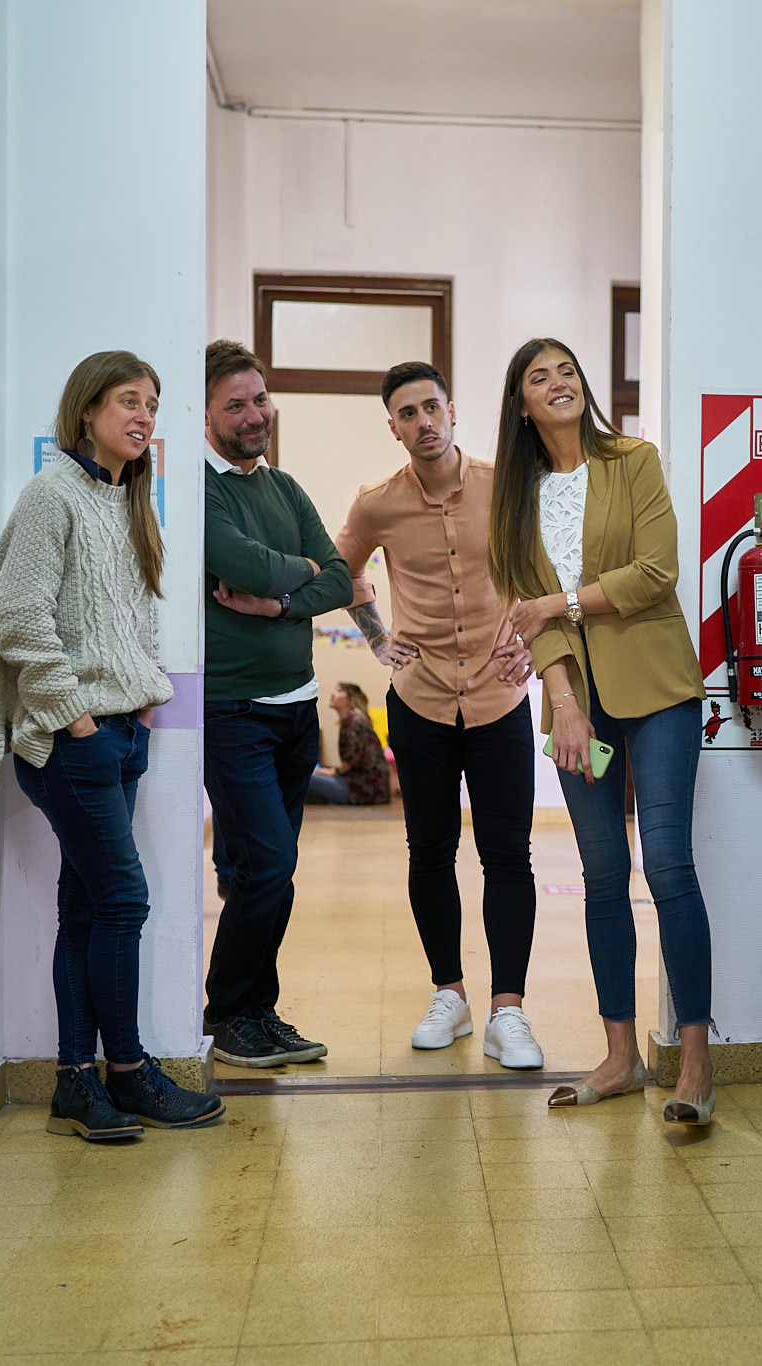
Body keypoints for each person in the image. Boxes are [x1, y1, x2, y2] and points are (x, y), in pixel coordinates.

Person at [0, 350, 223, 1138]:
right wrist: (74, 713)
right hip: (71, 738)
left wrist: (142, 700)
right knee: (123, 899)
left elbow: (135, 619)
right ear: (87, 411)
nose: (144, 415)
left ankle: (77, 1084)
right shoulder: (52, 495)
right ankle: (128, 1069)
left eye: (152, 403)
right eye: (127, 400)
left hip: (122, 732)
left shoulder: (129, 502)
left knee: (85, 910)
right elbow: (17, 613)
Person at [486, 336, 715, 1121]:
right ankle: (619, 1057)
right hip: (575, 706)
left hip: (659, 693)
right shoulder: (514, 498)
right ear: (521, 404)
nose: (558, 384)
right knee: (601, 875)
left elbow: (657, 573)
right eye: (538, 378)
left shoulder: (633, 462)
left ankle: (693, 1065)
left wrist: (560, 603)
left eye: (568, 371)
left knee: (670, 867)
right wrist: (566, 701)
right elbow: (523, 607)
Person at [333, 360, 543, 1068]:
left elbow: (544, 570)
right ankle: (449, 995)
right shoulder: (377, 503)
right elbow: (345, 569)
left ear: (452, 409)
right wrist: (377, 639)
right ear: (391, 426)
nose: (424, 422)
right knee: (430, 851)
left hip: (499, 697)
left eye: (432, 407)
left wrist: (534, 644)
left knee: (508, 854)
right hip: (419, 701)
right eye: (407, 414)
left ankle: (507, 1012)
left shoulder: (505, 486)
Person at [198, 340, 352, 1068]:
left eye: (260, 399)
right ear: (206, 414)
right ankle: (227, 1011)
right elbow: (242, 565)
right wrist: (302, 577)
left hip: (297, 708)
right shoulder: (200, 489)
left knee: (267, 868)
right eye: (236, 404)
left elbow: (342, 578)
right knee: (267, 863)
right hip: (232, 710)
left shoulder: (284, 488)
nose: (255, 414)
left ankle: (259, 1009)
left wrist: (278, 601)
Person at [304, 682, 393, 806]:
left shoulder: (352, 722)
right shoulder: (355, 720)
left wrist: (332, 772)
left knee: (302, 775)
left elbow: (354, 760)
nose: (333, 694)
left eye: (340, 691)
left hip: (362, 791)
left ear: (350, 700)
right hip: (372, 789)